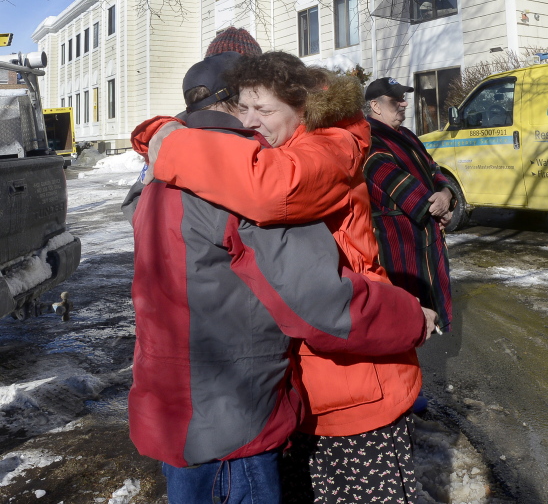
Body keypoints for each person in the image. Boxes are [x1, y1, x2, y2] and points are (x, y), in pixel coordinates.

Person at [126, 52, 432, 503]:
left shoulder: (302, 155)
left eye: (264, 109)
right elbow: (318, 300)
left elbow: (275, 191)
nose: (253, 122)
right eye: (244, 107)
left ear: (302, 107)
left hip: (337, 387)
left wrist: (167, 137)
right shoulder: (224, 173)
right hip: (243, 409)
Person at [363, 77, 454, 331]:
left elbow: (434, 169)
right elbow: (397, 183)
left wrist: (446, 194)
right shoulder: (370, 140)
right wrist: (435, 205)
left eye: (404, 98)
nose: (404, 104)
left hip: (428, 238)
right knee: (404, 322)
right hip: (400, 245)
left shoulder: (406, 135)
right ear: (376, 106)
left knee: (430, 314)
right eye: (396, 100)